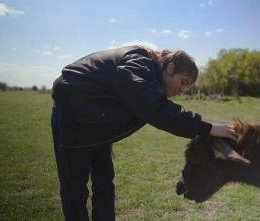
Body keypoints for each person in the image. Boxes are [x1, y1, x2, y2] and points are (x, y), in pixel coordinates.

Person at [51, 45, 237, 221]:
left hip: (96, 123)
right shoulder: (139, 63)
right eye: (183, 82)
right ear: (170, 68)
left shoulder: (147, 75)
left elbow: (116, 101)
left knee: (104, 182)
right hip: (72, 114)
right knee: (75, 188)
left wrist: (107, 134)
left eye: (187, 88)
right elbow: (156, 109)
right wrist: (209, 128)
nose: (182, 90)